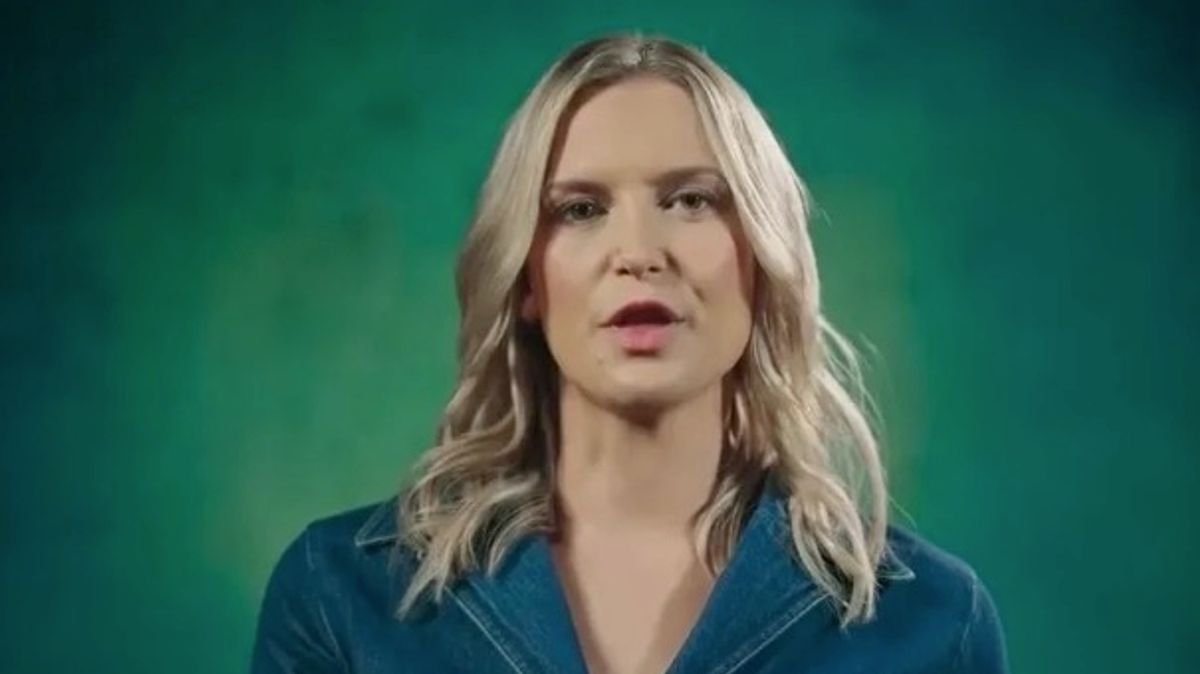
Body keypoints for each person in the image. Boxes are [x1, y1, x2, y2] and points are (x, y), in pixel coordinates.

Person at [251, 33, 1008, 674]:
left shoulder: (933, 622)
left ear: (761, 257)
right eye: (581, 209)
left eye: (691, 200)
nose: (640, 251)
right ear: (525, 278)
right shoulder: (339, 596)